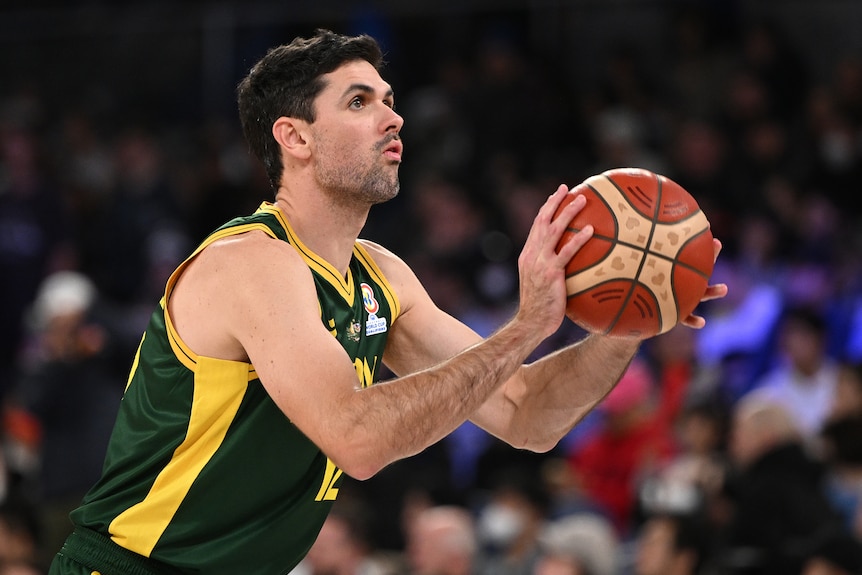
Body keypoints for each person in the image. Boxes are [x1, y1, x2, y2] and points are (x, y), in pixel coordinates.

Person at [47, 29, 726, 574]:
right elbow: (359, 438)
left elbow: (527, 414)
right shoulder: (251, 264)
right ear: (295, 137)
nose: (393, 116)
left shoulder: (383, 276)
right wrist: (526, 326)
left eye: (389, 98)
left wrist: (634, 315)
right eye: (359, 101)